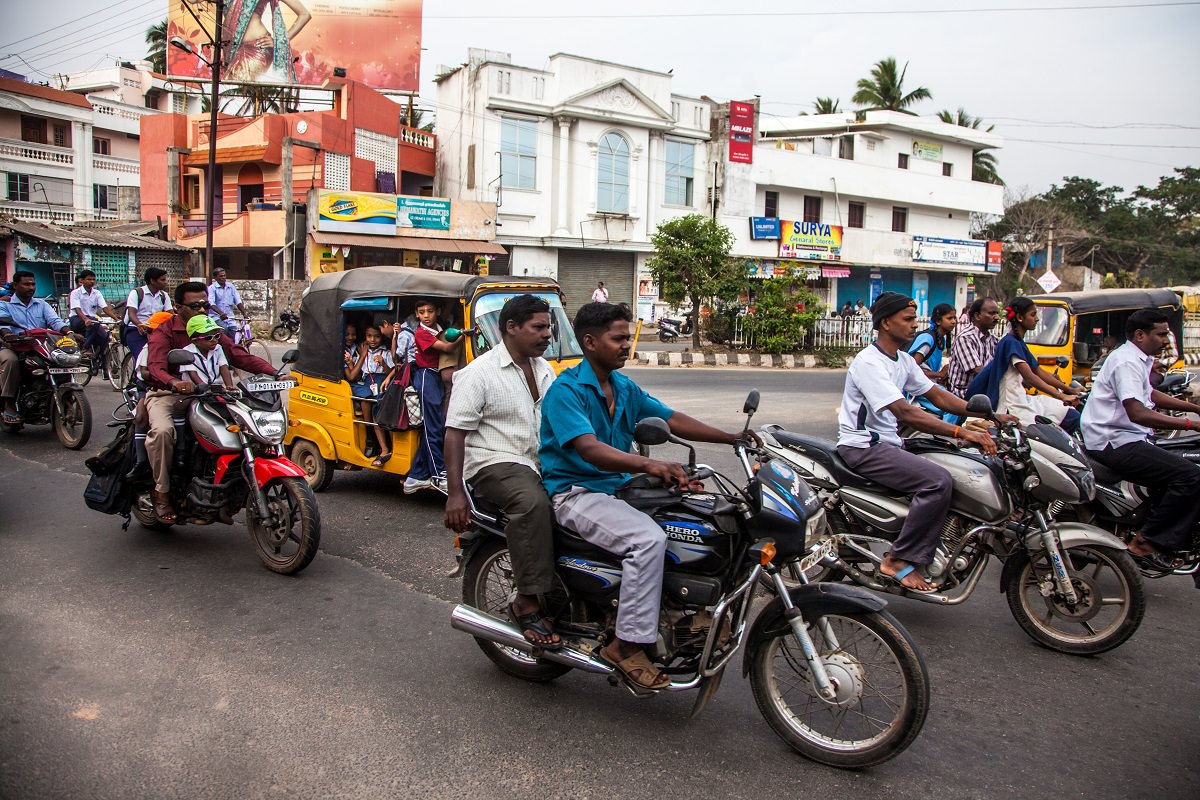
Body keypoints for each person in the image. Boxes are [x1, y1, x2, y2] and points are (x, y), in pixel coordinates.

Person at [539, 302, 757, 691]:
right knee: (647, 540)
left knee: (696, 520)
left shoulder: (623, 387)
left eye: (627, 337)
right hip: (577, 492)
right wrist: (650, 466)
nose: (627, 345)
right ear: (589, 342)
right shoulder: (566, 390)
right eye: (618, 338)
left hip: (620, 488)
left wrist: (730, 437)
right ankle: (623, 647)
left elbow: (671, 418)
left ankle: (679, 611)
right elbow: (589, 450)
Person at [836, 292, 1009, 593]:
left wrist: (990, 415)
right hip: (863, 446)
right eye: (908, 319)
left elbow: (938, 396)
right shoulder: (869, 363)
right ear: (886, 323)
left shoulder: (902, 360)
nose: (915, 325)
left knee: (959, 465)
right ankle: (898, 559)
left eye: (915, 318)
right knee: (937, 481)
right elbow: (905, 412)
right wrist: (961, 432)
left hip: (891, 443)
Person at [444, 295, 560, 648]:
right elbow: (455, 433)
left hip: (537, 460)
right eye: (539, 327)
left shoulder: (545, 370)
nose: (547, 335)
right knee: (531, 504)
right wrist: (455, 493)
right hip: (493, 462)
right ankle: (526, 600)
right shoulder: (478, 373)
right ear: (511, 327)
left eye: (549, 327)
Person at [1081, 308, 1200, 575]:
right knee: (1191, 476)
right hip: (1113, 442)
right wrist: (1191, 424)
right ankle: (1147, 542)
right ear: (1140, 334)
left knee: (1182, 458)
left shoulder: (1137, 358)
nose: (1166, 340)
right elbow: (1138, 412)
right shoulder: (1126, 361)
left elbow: (1150, 394)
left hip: (1127, 437)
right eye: (1161, 334)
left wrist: (1193, 408)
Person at [144, 282, 274, 524]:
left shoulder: (211, 330)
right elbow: (155, 367)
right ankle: (161, 493)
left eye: (205, 304)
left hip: (211, 394)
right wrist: (174, 382)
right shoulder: (165, 331)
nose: (203, 310)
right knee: (162, 432)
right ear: (178, 307)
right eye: (195, 305)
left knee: (251, 423)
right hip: (169, 394)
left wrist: (275, 373)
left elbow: (238, 355)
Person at [965, 297, 1082, 433]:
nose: (1037, 319)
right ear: (1020, 317)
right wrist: (1061, 396)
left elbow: (1039, 371)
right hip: (1012, 404)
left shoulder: (1018, 342)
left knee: (1070, 415)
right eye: (1033, 315)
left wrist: (1070, 390)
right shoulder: (1010, 342)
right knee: (1048, 431)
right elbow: (1030, 376)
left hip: (1022, 398)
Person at [403, 298, 464, 494]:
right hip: (425, 376)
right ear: (417, 314)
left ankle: (416, 476)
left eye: (430, 311)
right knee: (434, 428)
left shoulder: (440, 326)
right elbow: (447, 348)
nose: (426, 315)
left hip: (436, 375)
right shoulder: (421, 333)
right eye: (422, 312)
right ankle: (439, 475)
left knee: (437, 425)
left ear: (437, 311)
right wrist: (466, 334)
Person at [0, 271, 74, 425]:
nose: (31, 287)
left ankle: (63, 398)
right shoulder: (4, 304)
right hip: (13, 346)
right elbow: (4, 326)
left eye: (33, 284)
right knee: (10, 361)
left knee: (62, 360)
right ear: (15, 286)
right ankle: (9, 404)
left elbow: (55, 321)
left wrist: (70, 333)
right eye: (26, 284)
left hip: (39, 346)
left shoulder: (42, 304)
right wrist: (8, 334)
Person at [223, 0, 311, 83]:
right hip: (234, 49)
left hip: (257, 47)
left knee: (235, 89)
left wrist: (279, 40)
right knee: (232, 90)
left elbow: (304, 14)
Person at [346, 324, 396, 467]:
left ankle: (385, 446)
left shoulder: (386, 353)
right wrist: (351, 363)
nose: (373, 339)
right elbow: (357, 375)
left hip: (381, 382)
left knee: (378, 406)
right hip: (367, 382)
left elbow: (391, 373)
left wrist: (383, 363)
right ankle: (370, 437)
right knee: (365, 399)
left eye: (377, 336)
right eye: (369, 336)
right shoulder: (361, 352)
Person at [908, 303, 956, 414]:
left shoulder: (940, 340)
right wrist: (938, 374)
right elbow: (912, 370)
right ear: (938, 321)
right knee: (952, 408)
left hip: (927, 383)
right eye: (949, 318)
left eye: (954, 318)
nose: (953, 321)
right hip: (917, 386)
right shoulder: (927, 338)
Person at [68, 269, 120, 374]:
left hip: (92, 322)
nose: (91, 281)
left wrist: (116, 319)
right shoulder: (75, 293)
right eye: (89, 279)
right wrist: (85, 319)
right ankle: (85, 348)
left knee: (105, 338)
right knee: (94, 321)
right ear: (82, 280)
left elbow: (105, 308)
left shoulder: (97, 293)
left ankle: (105, 368)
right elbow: (77, 309)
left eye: (93, 279)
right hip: (77, 319)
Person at [947, 297, 1000, 398]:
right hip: (964, 395)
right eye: (992, 313)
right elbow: (978, 370)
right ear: (977, 316)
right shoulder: (965, 338)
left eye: (997, 313)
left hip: (984, 393)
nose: (997, 317)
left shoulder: (993, 340)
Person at [125, 267, 172, 362]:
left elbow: (171, 314)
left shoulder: (164, 296)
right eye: (162, 280)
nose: (165, 282)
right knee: (141, 359)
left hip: (156, 331)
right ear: (152, 281)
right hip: (136, 330)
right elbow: (132, 313)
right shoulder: (137, 293)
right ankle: (136, 376)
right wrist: (139, 325)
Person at [180, 316, 236, 391]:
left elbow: (224, 368)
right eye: (208, 338)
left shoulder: (218, 348)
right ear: (195, 341)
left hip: (216, 389)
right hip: (196, 390)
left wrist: (229, 386)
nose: (214, 340)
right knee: (185, 402)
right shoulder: (187, 352)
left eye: (216, 336)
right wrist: (203, 386)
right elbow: (192, 373)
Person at [208, 268, 248, 340]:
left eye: (224, 275)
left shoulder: (231, 287)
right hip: (216, 317)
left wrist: (245, 314)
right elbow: (211, 303)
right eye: (221, 276)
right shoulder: (212, 288)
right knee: (224, 329)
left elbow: (238, 301)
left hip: (230, 317)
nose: (223, 277)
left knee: (237, 332)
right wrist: (221, 313)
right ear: (215, 278)